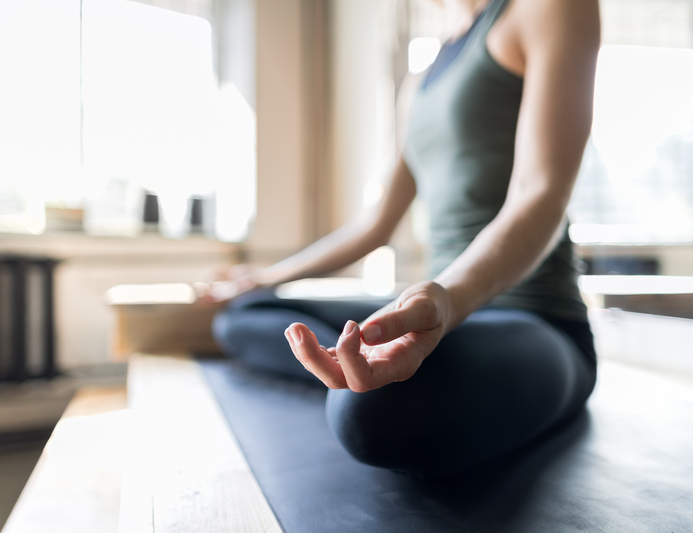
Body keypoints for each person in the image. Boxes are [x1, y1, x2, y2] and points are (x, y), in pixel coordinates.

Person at [202, 0, 600, 479]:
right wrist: (265, 276)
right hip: (439, 312)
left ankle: (365, 379)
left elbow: (541, 195)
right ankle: (357, 365)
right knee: (245, 315)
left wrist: (447, 300)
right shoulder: (423, 78)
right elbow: (376, 225)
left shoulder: (548, 8)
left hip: (533, 318)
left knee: (367, 416)